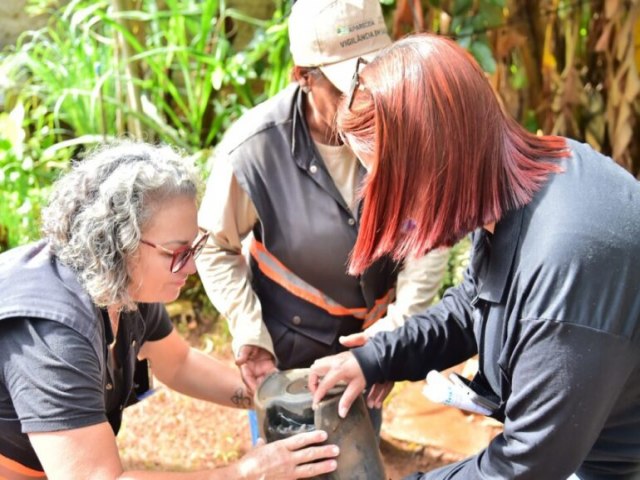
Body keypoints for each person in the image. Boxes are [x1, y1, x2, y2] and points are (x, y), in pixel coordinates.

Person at [308, 33, 640, 479]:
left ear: (433, 160)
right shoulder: (524, 185)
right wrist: (376, 358)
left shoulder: (569, 264)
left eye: (383, 180)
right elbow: (474, 306)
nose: (381, 200)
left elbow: (525, 467)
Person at [0, 142, 339, 479]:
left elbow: (178, 364)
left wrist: (273, 396)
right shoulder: (53, 332)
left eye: (194, 247)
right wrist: (244, 473)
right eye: (177, 253)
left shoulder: (122, 287)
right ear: (119, 243)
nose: (191, 269)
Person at [196, 0, 449, 402]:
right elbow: (213, 246)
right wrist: (248, 329)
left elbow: (429, 237)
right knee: (290, 460)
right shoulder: (253, 152)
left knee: (361, 457)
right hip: (288, 357)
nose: (365, 98)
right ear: (303, 77)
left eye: (373, 78)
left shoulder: (406, 132)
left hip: (370, 350)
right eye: (347, 86)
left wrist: (393, 340)